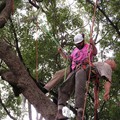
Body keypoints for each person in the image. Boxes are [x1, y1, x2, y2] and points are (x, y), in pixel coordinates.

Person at [55, 33, 97, 120]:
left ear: (83, 41)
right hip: (74, 70)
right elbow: (68, 59)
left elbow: (95, 53)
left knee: (79, 86)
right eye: (77, 44)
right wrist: (61, 52)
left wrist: (93, 44)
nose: (78, 45)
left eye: (80, 43)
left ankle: (80, 112)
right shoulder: (75, 50)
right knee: (64, 86)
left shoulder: (88, 47)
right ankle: (59, 112)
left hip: (84, 69)